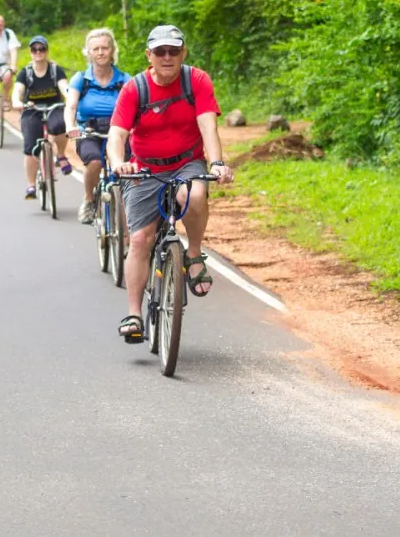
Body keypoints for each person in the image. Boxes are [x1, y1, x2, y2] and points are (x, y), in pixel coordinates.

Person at [107, 25, 234, 342]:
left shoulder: (197, 80)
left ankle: (193, 255)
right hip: (144, 168)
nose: (167, 57)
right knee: (139, 239)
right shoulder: (135, 89)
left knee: (194, 194)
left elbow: (208, 125)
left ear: (183, 53)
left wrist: (217, 163)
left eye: (173, 51)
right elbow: (117, 136)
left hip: (186, 161)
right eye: (160, 51)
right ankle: (134, 314)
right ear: (149, 55)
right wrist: (117, 164)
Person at [65, 28, 131, 224]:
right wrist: (71, 126)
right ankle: (89, 199)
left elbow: (137, 107)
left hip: (118, 132)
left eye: (105, 48)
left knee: (126, 170)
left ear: (112, 51)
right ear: (89, 52)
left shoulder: (124, 80)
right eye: (96, 49)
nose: (100, 52)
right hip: (89, 132)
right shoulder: (81, 79)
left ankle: (128, 210)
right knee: (94, 163)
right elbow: (70, 105)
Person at [12, 36, 71, 199]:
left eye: (42, 49)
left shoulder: (55, 70)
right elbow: (17, 91)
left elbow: (64, 87)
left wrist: (70, 98)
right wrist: (17, 102)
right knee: (30, 146)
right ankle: (31, 185)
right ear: (31, 52)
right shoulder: (26, 73)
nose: (38, 52)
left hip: (54, 107)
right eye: (34, 49)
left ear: (46, 51)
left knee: (61, 124)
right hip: (32, 110)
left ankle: (60, 154)